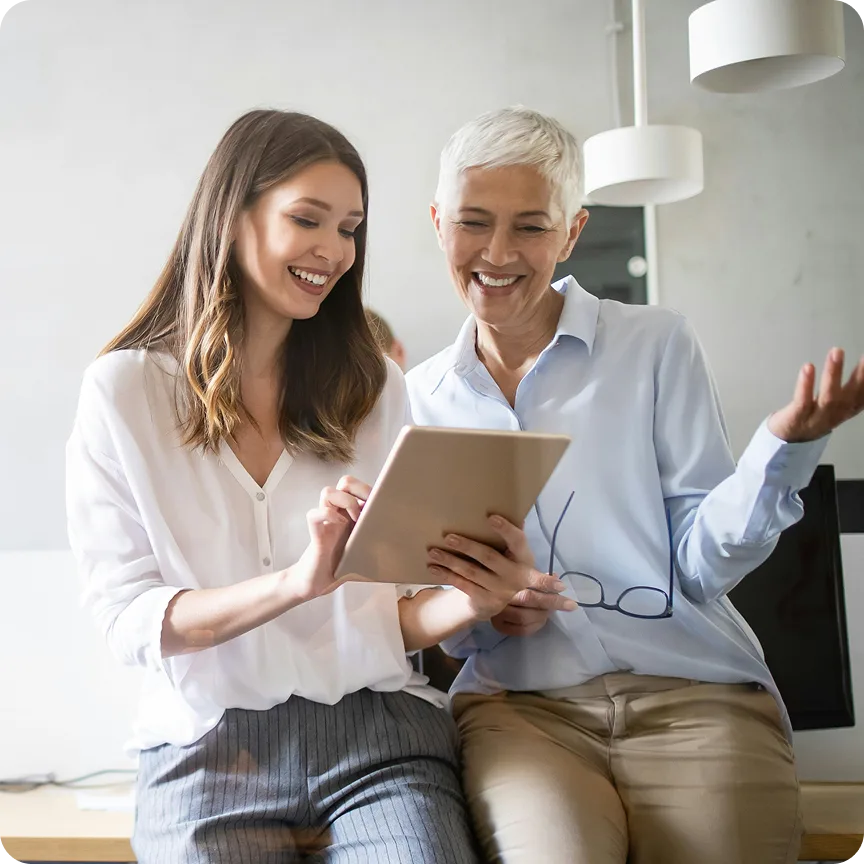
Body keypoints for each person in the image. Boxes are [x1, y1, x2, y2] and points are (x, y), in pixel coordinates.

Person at [402, 107, 864, 864]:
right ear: (437, 222)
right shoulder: (417, 401)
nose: (497, 252)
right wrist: (487, 615)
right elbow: (450, 622)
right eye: (474, 223)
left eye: (531, 227)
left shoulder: (654, 345)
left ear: (573, 232)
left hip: (696, 697)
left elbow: (700, 567)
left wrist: (784, 451)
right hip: (523, 713)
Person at [65, 109, 483, 864]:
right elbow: (128, 619)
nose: (334, 250)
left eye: (350, 227)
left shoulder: (373, 387)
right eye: (308, 219)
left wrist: (476, 596)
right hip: (206, 751)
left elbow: (393, 616)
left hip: (377, 735)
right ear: (233, 216)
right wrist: (294, 584)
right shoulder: (123, 393)